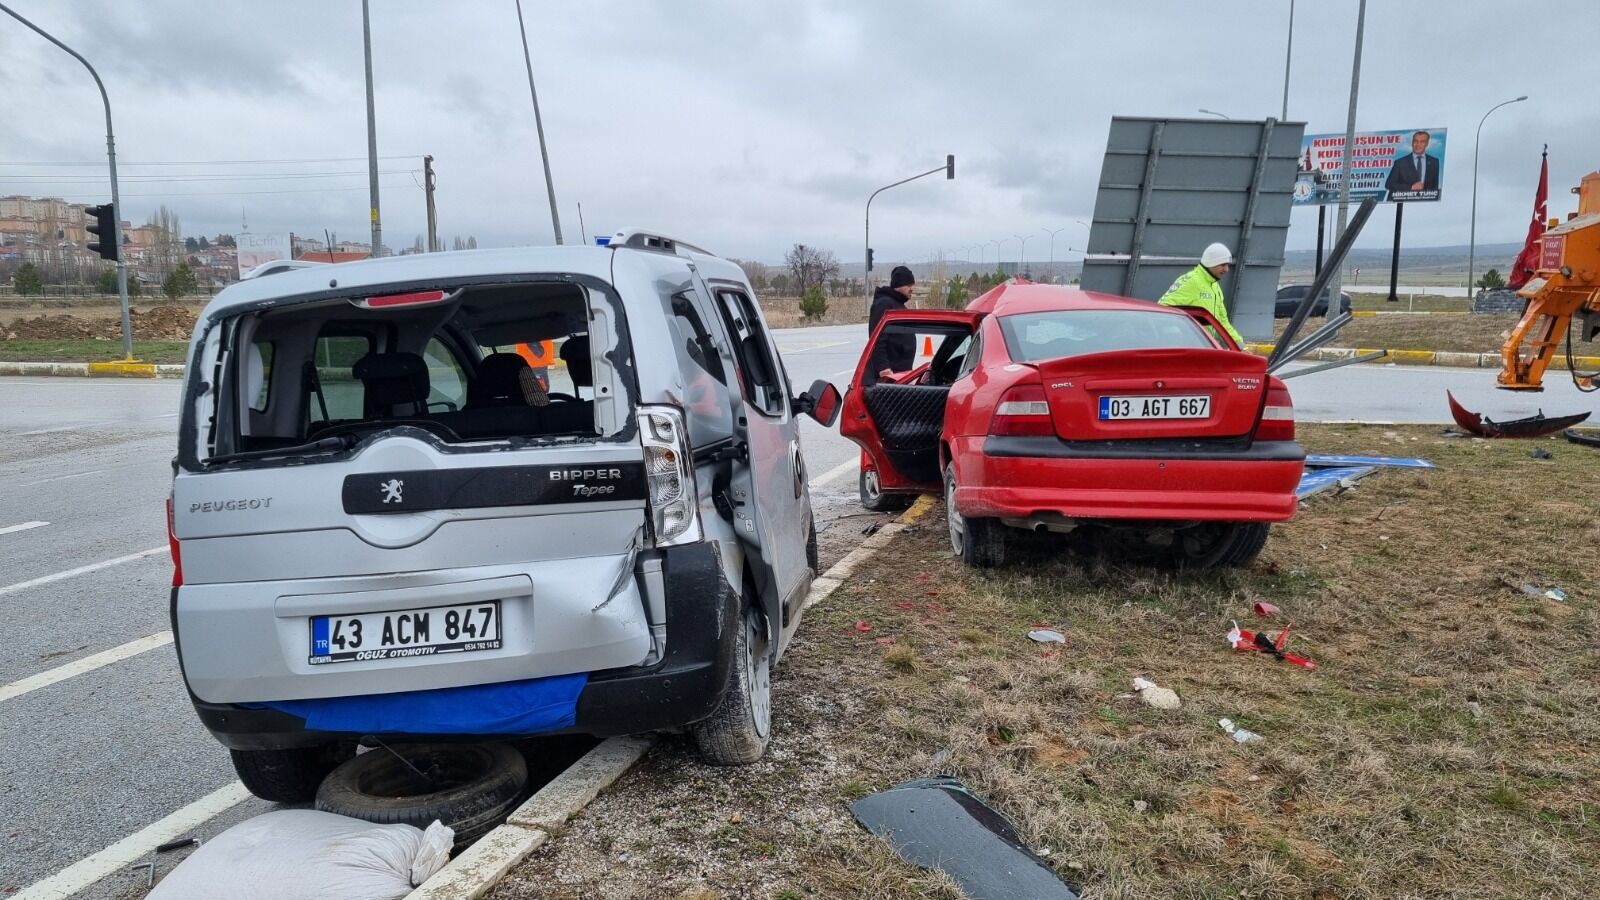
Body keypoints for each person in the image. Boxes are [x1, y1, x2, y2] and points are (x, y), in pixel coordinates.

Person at [1158, 243, 1243, 345]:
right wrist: (1177, 338)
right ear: (1211, 263)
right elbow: (1163, 310)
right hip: (1188, 348)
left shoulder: (1215, 287)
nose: (1226, 269)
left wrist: (1240, 346)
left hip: (1204, 346)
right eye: (1223, 265)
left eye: (1227, 265)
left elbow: (1222, 323)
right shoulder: (1191, 281)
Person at [867, 265, 916, 378]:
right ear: (898, 285)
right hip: (889, 376)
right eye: (908, 285)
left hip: (900, 375)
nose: (912, 288)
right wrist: (883, 368)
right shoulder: (884, 304)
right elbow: (877, 338)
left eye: (912, 285)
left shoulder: (898, 305)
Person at [1385, 130, 1441, 198]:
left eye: (1422, 142)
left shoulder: (1434, 162)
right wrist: (1411, 187)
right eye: (1415, 141)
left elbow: (1435, 187)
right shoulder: (1400, 162)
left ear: (1427, 144)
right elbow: (1389, 184)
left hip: (1425, 202)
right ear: (1412, 143)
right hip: (1404, 198)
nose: (1418, 144)